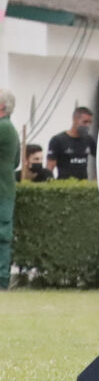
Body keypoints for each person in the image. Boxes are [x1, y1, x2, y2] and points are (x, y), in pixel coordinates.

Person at [47, 105, 95, 180]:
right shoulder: (58, 140)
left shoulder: (89, 140)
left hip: (84, 186)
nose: (87, 125)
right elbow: (50, 168)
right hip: (64, 185)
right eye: (85, 122)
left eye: (90, 122)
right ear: (75, 120)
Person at [0, 89, 17, 287]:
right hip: (5, 191)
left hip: (2, 193)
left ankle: (2, 282)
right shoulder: (8, 127)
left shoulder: (4, 127)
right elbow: (15, 161)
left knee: (2, 238)